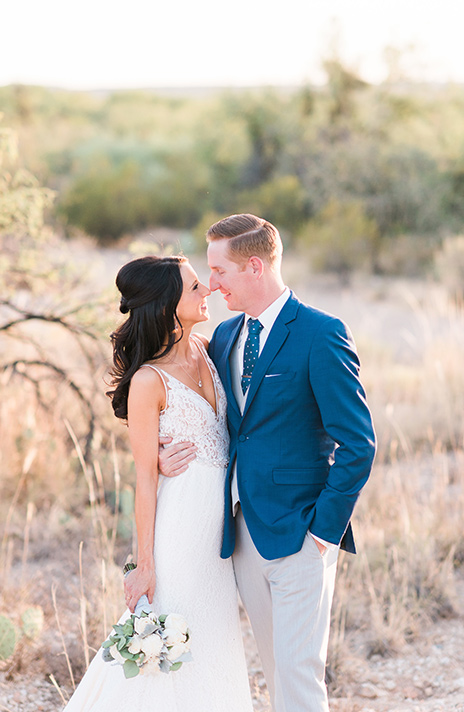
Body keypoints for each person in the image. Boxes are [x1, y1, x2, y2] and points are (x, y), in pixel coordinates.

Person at [159, 214, 376, 712]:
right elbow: (201, 415)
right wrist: (158, 452)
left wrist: (323, 531)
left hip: (302, 532)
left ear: (254, 266)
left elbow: (359, 443)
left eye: (220, 272)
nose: (211, 285)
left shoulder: (321, 333)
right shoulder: (226, 335)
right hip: (242, 533)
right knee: (276, 672)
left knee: (300, 674)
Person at [62, 255, 253, 712]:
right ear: (168, 305)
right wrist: (142, 564)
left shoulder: (210, 348)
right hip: (179, 529)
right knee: (170, 642)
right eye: (193, 288)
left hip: (219, 533)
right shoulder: (149, 381)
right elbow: (143, 480)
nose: (205, 290)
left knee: (213, 638)